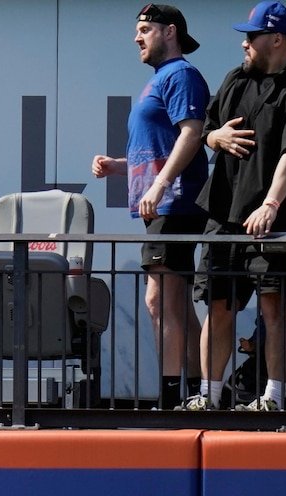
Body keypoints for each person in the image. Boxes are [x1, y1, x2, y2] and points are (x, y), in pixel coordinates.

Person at [185, 0, 286, 412]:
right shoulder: (234, 80)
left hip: (273, 223)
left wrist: (271, 204)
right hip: (223, 216)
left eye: (252, 35)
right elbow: (205, 129)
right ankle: (208, 395)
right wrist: (215, 139)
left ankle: (273, 398)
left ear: (276, 39)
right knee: (218, 304)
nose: (244, 43)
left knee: (273, 307)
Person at [90, 4, 209, 410]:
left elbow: (192, 134)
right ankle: (196, 393)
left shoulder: (181, 75)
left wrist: (159, 186)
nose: (137, 37)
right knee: (175, 302)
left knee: (159, 302)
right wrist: (119, 167)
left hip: (174, 206)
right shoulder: (162, 79)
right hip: (165, 204)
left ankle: (174, 395)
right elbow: (162, 149)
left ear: (169, 31)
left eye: (145, 29)